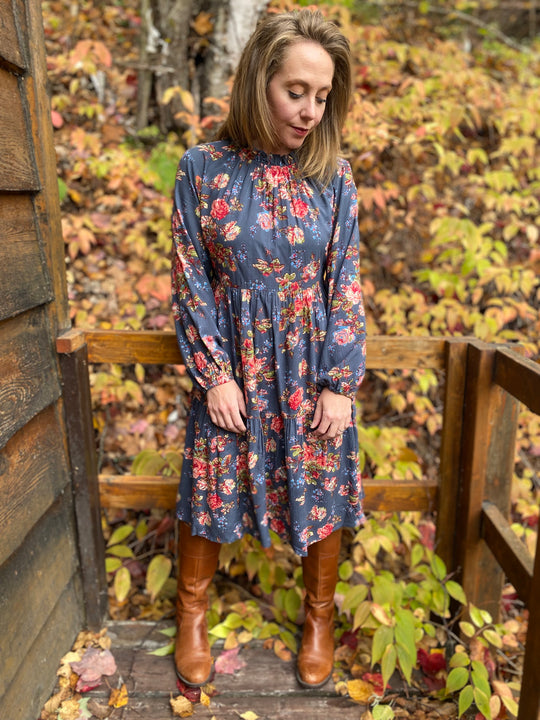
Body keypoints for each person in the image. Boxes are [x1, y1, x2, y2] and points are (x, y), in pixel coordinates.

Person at [170, 8, 366, 691]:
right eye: (296, 91)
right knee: (210, 481)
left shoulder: (333, 175)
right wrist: (214, 375)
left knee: (321, 485)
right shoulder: (202, 169)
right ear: (259, 80)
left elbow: (345, 278)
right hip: (230, 368)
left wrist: (339, 382)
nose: (311, 109)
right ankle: (191, 613)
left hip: (310, 369)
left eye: (322, 96)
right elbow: (191, 277)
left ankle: (318, 617)